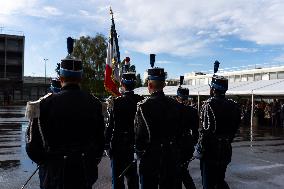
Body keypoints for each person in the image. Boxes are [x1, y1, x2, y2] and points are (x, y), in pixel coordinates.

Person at [25, 37, 105, 189]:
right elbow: (100, 142)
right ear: (80, 78)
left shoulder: (44, 104)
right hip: (84, 173)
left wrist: (49, 164)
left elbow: (32, 147)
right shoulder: (95, 104)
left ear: (61, 78)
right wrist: (88, 161)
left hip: (55, 175)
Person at [134, 54, 188, 189]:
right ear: (164, 84)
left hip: (151, 156)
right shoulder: (176, 105)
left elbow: (140, 135)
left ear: (149, 84)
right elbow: (181, 131)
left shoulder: (144, 106)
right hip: (171, 156)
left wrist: (139, 152)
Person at [198, 75, 241, 189]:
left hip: (211, 151)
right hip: (226, 149)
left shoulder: (208, 105)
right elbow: (235, 128)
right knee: (220, 180)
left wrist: (200, 148)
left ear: (212, 89)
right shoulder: (234, 105)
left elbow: (205, 131)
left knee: (208, 183)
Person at [105, 72, 144, 189]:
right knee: (133, 178)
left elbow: (110, 126)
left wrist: (107, 144)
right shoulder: (141, 101)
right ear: (135, 83)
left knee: (117, 179)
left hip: (118, 145)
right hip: (134, 143)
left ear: (122, 83)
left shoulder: (116, 102)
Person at [175, 85, 199, 189]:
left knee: (177, 172)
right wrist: (192, 144)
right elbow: (196, 133)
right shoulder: (193, 111)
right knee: (183, 170)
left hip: (175, 145)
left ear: (177, 97)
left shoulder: (173, 109)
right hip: (187, 144)